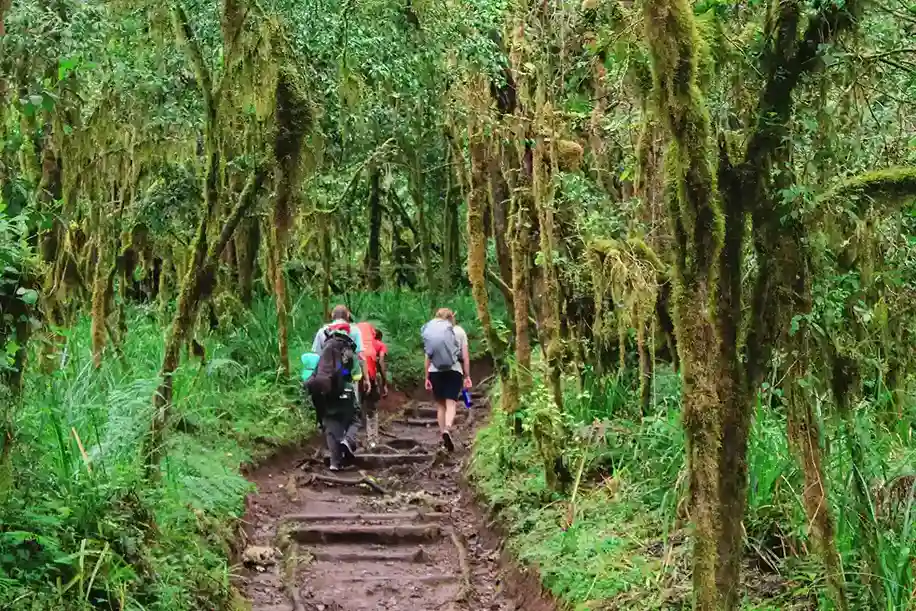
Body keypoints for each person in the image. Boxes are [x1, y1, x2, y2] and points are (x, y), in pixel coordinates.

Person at [308, 305, 367, 470]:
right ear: (348, 316)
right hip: (346, 386)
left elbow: (314, 358)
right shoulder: (353, 335)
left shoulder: (322, 333)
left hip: (324, 386)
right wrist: (362, 379)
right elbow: (357, 368)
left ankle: (335, 462)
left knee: (330, 422)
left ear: (331, 316)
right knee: (353, 416)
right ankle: (347, 440)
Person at [422, 308, 471, 452]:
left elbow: (427, 357)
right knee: (451, 404)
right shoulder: (459, 331)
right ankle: (448, 429)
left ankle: (443, 434)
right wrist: (467, 375)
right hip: (454, 371)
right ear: (451, 317)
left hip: (435, 372)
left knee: (441, 406)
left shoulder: (431, 334)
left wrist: (426, 377)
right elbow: (465, 356)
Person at [355, 322, 389, 448]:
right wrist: (385, 383)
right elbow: (380, 362)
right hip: (370, 377)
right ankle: (372, 440)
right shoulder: (379, 345)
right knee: (372, 410)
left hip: (355, 378)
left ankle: (355, 440)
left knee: (357, 409)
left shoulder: (355, 344)